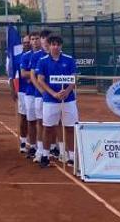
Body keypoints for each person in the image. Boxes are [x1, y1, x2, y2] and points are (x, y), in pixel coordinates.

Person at [36, 35, 78, 168]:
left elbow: (73, 78)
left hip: (68, 100)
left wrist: (66, 91)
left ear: (61, 46)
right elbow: (40, 80)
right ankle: (45, 155)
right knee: (48, 128)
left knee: (70, 127)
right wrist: (53, 93)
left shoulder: (69, 60)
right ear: (49, 46)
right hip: (50, 100)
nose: (55, 47)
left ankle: (72, 157)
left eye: (58, 44)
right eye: (53, 44)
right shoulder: (42, 61)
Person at [29, 31, 51, 163]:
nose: (43, 42)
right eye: (42, 39)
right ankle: (40, 150)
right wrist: (42, 91)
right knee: (41, 122)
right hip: (40, 95)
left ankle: (56, 149)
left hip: (55, 97)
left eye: (45, 39)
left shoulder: (59, 56)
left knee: (55, 123)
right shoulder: (36, 56)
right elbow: (33, 76)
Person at [20, 32, 40, 160]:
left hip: (44, 93)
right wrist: (36, 75)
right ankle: (33, 146)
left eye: (37, 39)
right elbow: (23, 74)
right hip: (30, 93)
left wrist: (33, 75)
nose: (34, 41)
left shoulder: (46, 55)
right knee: (31, 121)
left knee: (45, 122)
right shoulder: (25, 56)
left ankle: (50, 147)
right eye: (32, 39)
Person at [11, 35, 32, 154]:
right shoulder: (17, 57)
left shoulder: (38, 56)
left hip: (36, 92)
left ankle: (40, 145)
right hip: (22, 91)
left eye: (28, 42)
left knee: (37, 119)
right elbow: (12, 75)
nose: (27, 44)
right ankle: (23, 141)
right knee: (24, 117)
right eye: (24, 42)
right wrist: (13, 89)